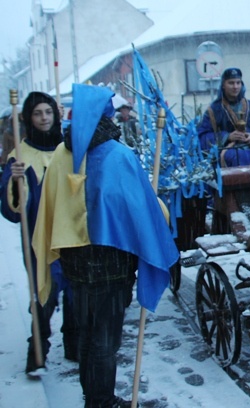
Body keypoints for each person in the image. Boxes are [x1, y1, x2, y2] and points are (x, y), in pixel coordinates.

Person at [32, 84, 179, 407]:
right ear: (107, 116)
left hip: (76, 264)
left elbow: (53, 206)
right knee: (105, 339)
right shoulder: (118, 155)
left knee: (87, 333)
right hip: (112, 265)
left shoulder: (60, 154)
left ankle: (93, 396)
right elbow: (144, 211)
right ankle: (101, 401)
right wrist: (158, 207)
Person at [0, 91, 78, 377]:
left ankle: (74, 343)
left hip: (70, 232)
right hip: (38, 237)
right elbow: (11, 211)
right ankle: (38, 349)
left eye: (48, 112)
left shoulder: (68, 149)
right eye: (37, 113)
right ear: (28, 118)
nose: (44, 118)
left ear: (55, 115)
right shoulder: (19, 156)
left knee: (73, 289)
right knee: (43, 290)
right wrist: (14, 180)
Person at [197, 67, 250, 167]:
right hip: (231, 150)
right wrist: (227, 137)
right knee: (234, 157)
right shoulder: (213, 110)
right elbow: (202, 137)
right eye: (231, 83)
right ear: (223, 85)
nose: (235, 86)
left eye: (238, 82)